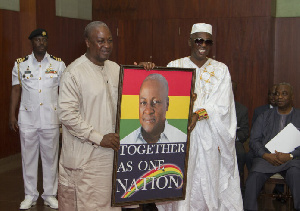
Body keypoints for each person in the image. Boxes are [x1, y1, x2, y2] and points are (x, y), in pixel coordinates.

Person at [58, 21, 154, 211]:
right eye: (100, 41)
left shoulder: (115, 68)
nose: (107, 46)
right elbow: (67, 115)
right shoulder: (73, 73)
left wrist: (143, 73)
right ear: (87, 42)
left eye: (110, 40)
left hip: (113, 157)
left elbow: (135, 98)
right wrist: (99, 138)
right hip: (87, 159)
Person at [157, 23, 243, 210]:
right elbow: (162, 99)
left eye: (208, 41)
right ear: (190, 41)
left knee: (208, 184)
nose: (203, 45)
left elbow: (223, 107)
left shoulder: (221, 70)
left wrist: (198, 114)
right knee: (181, 183)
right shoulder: (175, 66)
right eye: (198, 40)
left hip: (210, 138)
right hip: (180, 137)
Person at [9, 28, 66, 209]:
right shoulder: (20, 64)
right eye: (37, 40)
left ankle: (50, 194)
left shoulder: (58, 65)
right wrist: (11, 115)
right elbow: (16, 89)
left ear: (47, 42)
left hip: (50, 119)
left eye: (44, 40)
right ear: (31, 42)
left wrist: (64, 118)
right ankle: (30, 195)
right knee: (28, 159)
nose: (41, 43)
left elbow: (64, 93)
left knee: (50, 159)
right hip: (27, 119)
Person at [244, 82, 300, 211]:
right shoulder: (264, 116)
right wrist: (265, 155)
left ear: (292, 97)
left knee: (297, 175)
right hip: (266, 159)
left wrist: (291, 155)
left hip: (291, 160)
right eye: (277, 94)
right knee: (253, 178)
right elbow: (254, 140)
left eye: (284, 94)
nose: (279, 97)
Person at [121, 73, 187, 144]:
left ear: (167, 104)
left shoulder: (182, 140)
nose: (148, 111)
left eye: (155, 102)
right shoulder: (125, 143)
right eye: (143, 102)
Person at [232, 81, 249, 185]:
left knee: (240, 153)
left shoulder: (242, 109)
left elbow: (244, 132)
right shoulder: (213, 107)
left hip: (234, 141)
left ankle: (237, 184)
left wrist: (233, 138)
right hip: (215, 141)